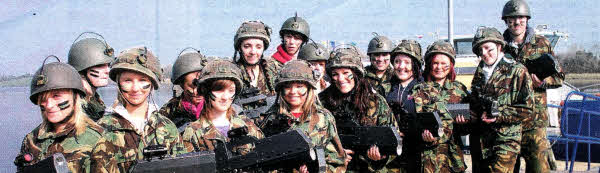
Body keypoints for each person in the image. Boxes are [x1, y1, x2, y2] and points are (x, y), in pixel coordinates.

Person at [15, 56, 118, 172]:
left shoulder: (98, 139)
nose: (49, 105)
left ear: (75, 96)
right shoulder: (31, 140)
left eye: (56, 96)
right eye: (43, 98)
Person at [97, 46, 185, 172]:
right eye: (128, 80)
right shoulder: (103, 130)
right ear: (119, 83)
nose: (135, 88)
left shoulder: (167, 127)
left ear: (152, 84)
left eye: (142, 80)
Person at [501, 0, 564, 172]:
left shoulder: (542, 44)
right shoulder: (499, 46)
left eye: (520, 17)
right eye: (512, 18)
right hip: (508, 121)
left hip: (535, 122)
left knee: (539, 169)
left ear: (527, 19)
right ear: (506, 21)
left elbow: (559, 76)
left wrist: (543, 82)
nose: (516, 22)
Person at [258, 60, 348, 172]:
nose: (293, 91)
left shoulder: (323, 118)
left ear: (308, 88)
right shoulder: (268, 120)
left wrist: (315, 169)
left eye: (299, 86)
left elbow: (338, 162)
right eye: (288, 86)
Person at [319, 46, 396, 172]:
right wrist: (333, 154)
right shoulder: (322, 102)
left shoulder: (375, 101)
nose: (341, 79)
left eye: (345, 73)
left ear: (356, 73)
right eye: (335, 74)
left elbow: (393, 138)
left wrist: (380, 156)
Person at [470, 26, 535, 173]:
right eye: (480, 51)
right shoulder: (481, 72)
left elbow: (528, 108)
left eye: (488, 48)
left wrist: (498, 114)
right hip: (481, 141)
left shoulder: (517, 70)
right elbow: (474, 100)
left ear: (499, 46)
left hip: (505, 141)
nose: (484, 54)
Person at [181, 59, 264, 155]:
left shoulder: (247, 124)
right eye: (219, 90)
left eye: (231, 90)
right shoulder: (193, 132)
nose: (225, 97)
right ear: (205, 90)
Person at [411, 41, 469, 173]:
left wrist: (464, 124)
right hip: (427, 160)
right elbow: (415, 122)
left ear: (451, 65)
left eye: (444, 63)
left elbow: (469, 125)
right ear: (429, 64)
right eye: (435, 63)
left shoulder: (459, 89)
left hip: (452, 160)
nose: (439, 67)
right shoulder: (419, 89)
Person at [385, 39, 423, 172]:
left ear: (416, 65)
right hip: (391, 158)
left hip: (419, 156)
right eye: (397, 62)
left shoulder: (427, 90)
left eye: (407, 62)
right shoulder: (384, 89)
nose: (401, 66)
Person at [67, 32, 114, 121]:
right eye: (100, 65)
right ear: (82, 70)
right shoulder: (75, 105)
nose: (108, 70)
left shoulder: (92, 99)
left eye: (108, 65)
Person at [159, 48, 208, 129]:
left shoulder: (217, 106)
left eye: (203, 85)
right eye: (192, 86)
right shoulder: (169, 111)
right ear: (182, 85)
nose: (198, 91)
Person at [233, 20, 279, 96]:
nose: (253, 52)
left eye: (258, 47)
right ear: (239, 48)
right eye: (247, 46)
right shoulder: (232, 73)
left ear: (263, 48)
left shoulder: (274, 71)